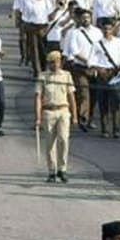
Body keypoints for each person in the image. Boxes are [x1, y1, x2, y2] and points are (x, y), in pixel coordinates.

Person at [35, 50, 78, 183]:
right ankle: (52, 171)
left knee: (64, 140)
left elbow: (71, 96)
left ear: (60, 62)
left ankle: (62, 169)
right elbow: (38, 97)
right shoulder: (42, 76)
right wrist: (38, 117)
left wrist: (75, 116)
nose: (54, 64)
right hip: (48, 111)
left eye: (56, 62)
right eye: (51, 62)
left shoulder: (66, 76)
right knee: (50, 143)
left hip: (63, 110)